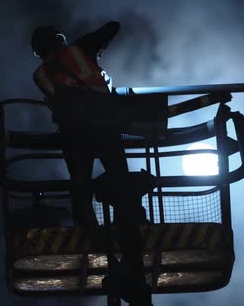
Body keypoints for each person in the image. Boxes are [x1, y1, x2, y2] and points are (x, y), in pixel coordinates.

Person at [31, 22, 152, 305]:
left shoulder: (40, 73)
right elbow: (113, 27)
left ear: (40, 51)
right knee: (119, 178)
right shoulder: (79, 49)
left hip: (74, 132)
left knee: (80, 186)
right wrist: (98, 42)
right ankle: (131, 219)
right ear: (59, 41)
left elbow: (56, 98)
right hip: (105, 123)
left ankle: (95, 235)